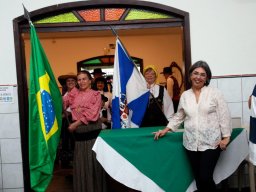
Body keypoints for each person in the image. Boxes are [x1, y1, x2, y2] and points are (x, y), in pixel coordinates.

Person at [154, 61, 232, 192]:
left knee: (205, 177)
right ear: (190, 76)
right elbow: (179, 115)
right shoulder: (185, 96)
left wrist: (226, 137)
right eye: (195, 73)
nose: (198, 77)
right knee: (198, 179)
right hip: (190, 143)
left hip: (211, 143)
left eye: (202, 74)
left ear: (207, 78)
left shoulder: (215, 93)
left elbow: (224, 116)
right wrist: (166, 130)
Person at [63, 71, 107, 192]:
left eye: (84, 79)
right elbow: (62, 104)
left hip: (92, 132)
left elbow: (92, 114)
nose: (81, 82)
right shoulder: (73, 94)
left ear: (90, 80)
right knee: (81, 165)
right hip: (79, 135)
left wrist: (76, 123)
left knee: (93, 164)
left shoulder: (96, 94)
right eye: (79, 80)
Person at [57, 72, 78, 168]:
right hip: (65, 120)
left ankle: (73, 163)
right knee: (65, 141)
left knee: (71, 141)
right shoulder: (65, 94)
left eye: (72, 80)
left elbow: (73, 108)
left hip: (72, 120)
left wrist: (62, 116)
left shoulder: (77, 92)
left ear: (76, 82)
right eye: (68, 81)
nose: (70, 82)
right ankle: (66, 162)